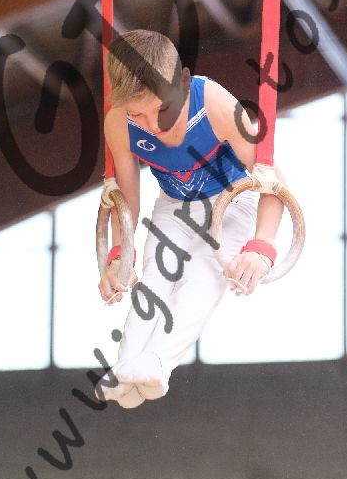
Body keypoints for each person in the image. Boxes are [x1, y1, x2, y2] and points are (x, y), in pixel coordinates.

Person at [97, 30, 285, 409]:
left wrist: (262, 246)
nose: (152, 124)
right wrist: (120, 254)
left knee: (205, 269)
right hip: (175, 202)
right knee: (155, 274)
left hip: (234, 199)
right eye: (137, 114)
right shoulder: (118, 121)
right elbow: (126, 200)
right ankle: (125, 365)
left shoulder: (212, 103)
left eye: (160, 109)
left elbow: (272, 181)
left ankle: (158, 363)